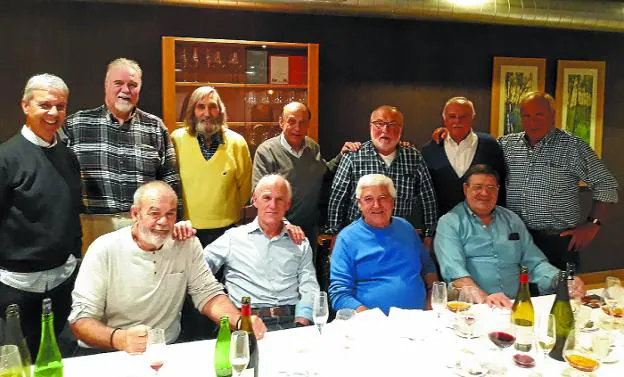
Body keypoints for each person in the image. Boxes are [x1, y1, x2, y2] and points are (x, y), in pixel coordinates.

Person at [69, 181, 266, 355]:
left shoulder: (186, 245)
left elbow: (208, 294)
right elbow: (81, 320)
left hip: (166, 350)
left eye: (170, 214)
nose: (163, 222)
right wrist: (120, 339)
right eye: (154, 213)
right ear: (135, 214)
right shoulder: (104, 249)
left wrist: (240, 321)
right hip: (108, 352)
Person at [62, 58, 181, 254]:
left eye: (132, 85)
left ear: (139, 89)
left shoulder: (155, 127)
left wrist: (177, 220)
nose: (125, 90)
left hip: (143, 225)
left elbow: (170, 179)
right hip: (92, 224)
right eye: (118, 83)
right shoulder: (76, 124)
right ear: (106, 86)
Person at [0, 74, 81, 357]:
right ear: (25, 106)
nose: (53, 113)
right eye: (44, 105)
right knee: (19, 363)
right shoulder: (6, 158)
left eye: (60, 106)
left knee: (63, 361)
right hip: (16, 289)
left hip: (62, 284)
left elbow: (71, 213)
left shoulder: (68, 156)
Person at [434, 165, 585, 308]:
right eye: (478, 187)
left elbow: (535, 263)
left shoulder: (511, 219)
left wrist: (562, 279)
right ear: (466, 189)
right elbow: (456, 274)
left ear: (498, 190)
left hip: (514, 305)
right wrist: (486, 299)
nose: (485, 193)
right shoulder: (450, 222)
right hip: (473, 308)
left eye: (491, 188)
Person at [500, 91, 618, 270]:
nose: (533, 122)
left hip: (556, 242)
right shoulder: (506, 145)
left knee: (560, 295)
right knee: (518, 295)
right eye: (527, 116)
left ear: (552, 115)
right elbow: (477, 149)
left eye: (539, 115)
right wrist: (446, 134)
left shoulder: (573, 147)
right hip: (515, 239)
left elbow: (607, 185)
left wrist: (592, 225)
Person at [204, 174, 320, 331]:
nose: (273, 205)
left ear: (288, 204)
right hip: (245, 321)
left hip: (290, 321)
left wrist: (301, 323)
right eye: (266, 198)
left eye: (279, 199)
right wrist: (221, 299)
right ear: (255, 200)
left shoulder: (300, 242)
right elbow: (200, 270)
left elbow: (309, 286)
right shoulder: (233, 238)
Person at [252, 101, 359, 256]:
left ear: (308, 124)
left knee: (307, 275)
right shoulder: (267, 152)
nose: (297, 128)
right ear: (281, 122)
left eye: (302, 122)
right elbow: (259, 194)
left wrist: (342, 155)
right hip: (277, 230)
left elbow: (323, 172)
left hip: (309, 231)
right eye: (291, 121)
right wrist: (284, 225)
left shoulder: (312, 146)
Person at [327, 105, 438, 248]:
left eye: (392, 125)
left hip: (399, 237)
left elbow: (428, 198)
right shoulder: (353, 156)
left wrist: (429, 234)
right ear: (370, 126)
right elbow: (337, 197)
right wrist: (335, 233)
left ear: (401, 129)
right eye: (379, 124)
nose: (385, 130)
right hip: (359, 237)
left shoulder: (413, 157)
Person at [329, 174, 438, 315]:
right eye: (368, 199)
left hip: (419, 319)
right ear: (359, 204)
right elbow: (339, 294)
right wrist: (370, 317)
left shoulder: (406, 228)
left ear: (393, 201)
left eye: (383, 198)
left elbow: (427, 267)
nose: (376, 205)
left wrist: (432, 298)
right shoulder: (347, 238)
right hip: (371, 325)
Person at [171, 86, 252, 247]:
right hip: (186, 230)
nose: (207, 113)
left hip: (227, 231)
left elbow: (245, 190)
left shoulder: (237, 143)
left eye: (213, 107)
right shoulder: (177, 140)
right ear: (192, 111)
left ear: (220, 111)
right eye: (201, 107)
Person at [422, 97, 506, 216]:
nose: (457, 121)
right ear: (444, 119)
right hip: (442, 224)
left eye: (463, 117)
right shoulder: (430, 150)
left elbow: (500, 185)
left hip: (484, 223)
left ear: (472, 117)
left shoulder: (490, 146)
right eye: (452, 116)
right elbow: (424, 192)